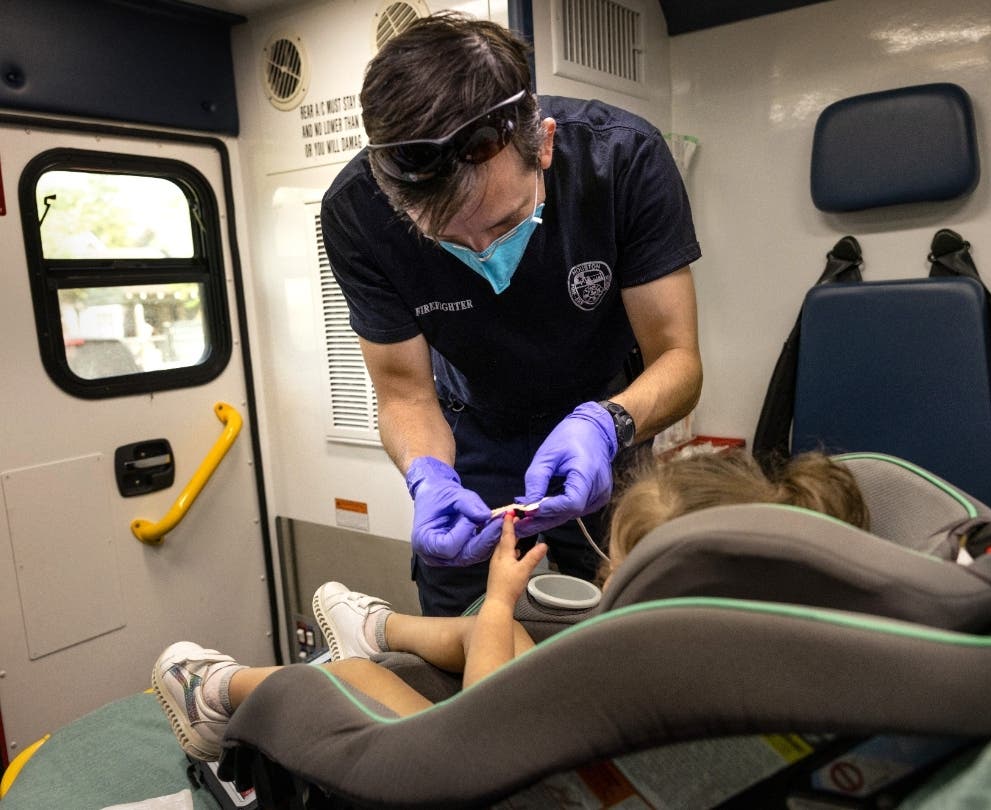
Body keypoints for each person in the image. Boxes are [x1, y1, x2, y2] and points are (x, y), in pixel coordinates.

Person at [320, 11, 703, 616]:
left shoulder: (623, 160)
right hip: (469, 435)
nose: (480, 251)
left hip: (603, 423)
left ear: (545, 143)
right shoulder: (357, 213)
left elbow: (678, 360)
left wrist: (608, 427)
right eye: (446, 236)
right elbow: (403, 396)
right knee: (465, 626)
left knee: (617, 615)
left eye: (502, 224)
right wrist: (426, 474)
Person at [153, 450, 868, 762]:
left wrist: (499, 599)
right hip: (588, 749)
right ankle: (376, 625)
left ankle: (217, 690)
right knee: (516, 642)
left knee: (349, 682)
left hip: (501, 776)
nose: (602, 568)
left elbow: (482, 728)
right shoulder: (762, 660)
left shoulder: (637, 673)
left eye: (615, 557)